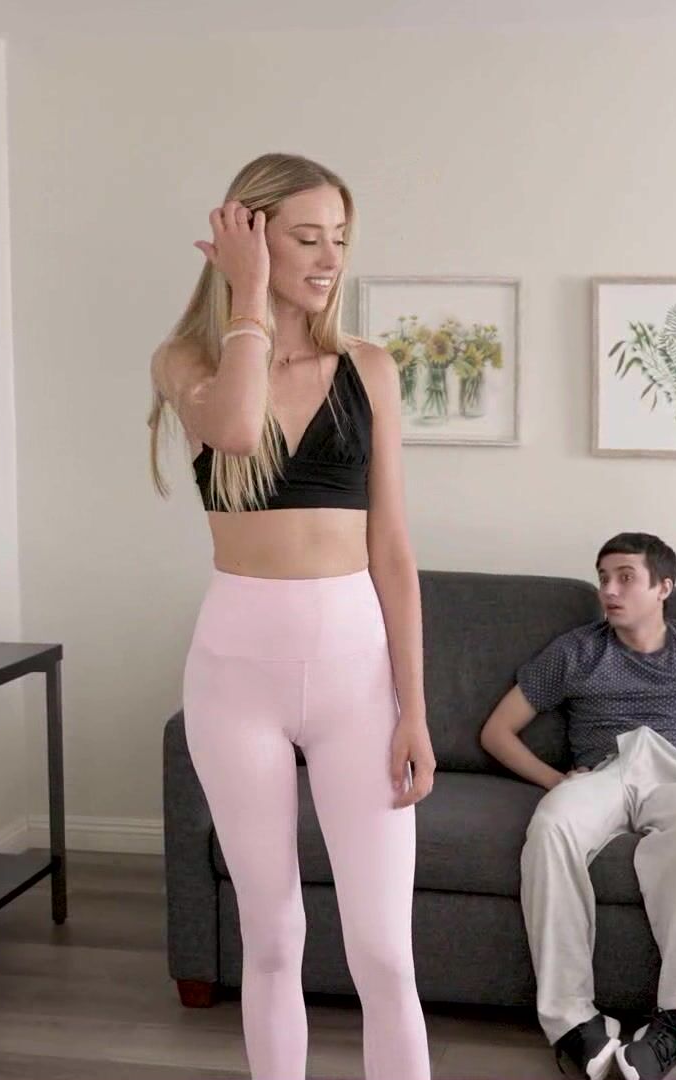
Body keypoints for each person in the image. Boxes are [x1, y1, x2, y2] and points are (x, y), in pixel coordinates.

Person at [148, 152, 435, 1080]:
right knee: (272, 939)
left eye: (339, 239)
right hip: (235, 681)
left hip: (359, 681)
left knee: (384, 954)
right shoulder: (189, 362)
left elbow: (394, 552)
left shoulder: (370, 369)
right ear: (250, 236)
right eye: (306, 237)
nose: (330, 258)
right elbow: (236, 431)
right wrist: (247, 299)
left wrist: (415, 709)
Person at [479, 533, 676, 1080]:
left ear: (663, 587)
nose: (609, 590)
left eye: (625, 577)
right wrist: (556, 779)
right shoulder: (576, 651)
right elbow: (497, 732)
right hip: (605, 771)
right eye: (604, 578)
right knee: (551, 825)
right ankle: (572, 1022)